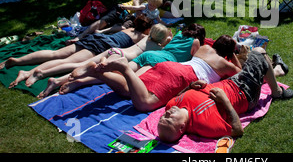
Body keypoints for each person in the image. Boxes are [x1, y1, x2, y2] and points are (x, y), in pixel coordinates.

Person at [71, 35, 245, 112]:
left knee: (128, 90)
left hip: (169, 66)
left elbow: (210, 43)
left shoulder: (205, 48)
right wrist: (234, 56)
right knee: (144, 103)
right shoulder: (224, 64)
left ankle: (98, 72)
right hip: (183, 75)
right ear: (228, 53)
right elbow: (241, 73)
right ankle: (124, 68)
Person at [157, 46, 293, 142]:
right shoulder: (204, 125)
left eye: (163, 116)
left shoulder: (171, 106)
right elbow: (237, 130)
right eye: (169, 119)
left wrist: (190, 87)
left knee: (256, 65)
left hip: (231, 82)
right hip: (244, 93)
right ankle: (277, 92)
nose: (167, 113)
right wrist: (225, 102)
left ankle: (277, 70)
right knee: (258, 52)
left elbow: (178, 96)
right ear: (181, 127)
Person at [52, 24, 206, 98]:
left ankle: (72, 81)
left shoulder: (177, 35)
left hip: (150, 54)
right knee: (129, 86)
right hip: (164, 60)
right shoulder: (196, 42)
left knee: (118, 72)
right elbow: (194, 58)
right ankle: (89, 77)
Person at [3, 15, 153, 88]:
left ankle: (18, 61)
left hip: (95, 39)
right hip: (102, 46)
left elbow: (106, 30)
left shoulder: (125, 28)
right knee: (66, 62)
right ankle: (29, 73)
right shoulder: (143, 37)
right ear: (147, 29)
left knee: (55, 53)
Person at [35, 24, 172, 97]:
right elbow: (167, 47)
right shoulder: (157, 48)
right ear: (162, 39)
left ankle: (45, 73)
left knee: (79, 64)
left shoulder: (145, 37)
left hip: (115, 50)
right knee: (98, 74)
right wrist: (168, 38)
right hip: (122, 57)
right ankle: (58, 81)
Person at [67, 0, 151, 44]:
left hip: (131, 18)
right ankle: (80, 36)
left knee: (123, 28)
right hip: (123, 9)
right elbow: (137, 0)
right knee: (104, 21)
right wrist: (139, 9)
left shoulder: (157, 10)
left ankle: (99, 33)